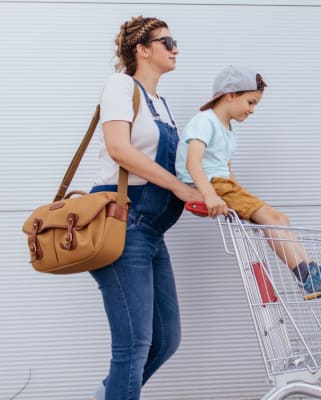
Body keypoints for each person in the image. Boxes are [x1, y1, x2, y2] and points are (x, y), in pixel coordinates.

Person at [89, 16, 203, 400]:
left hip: (152, 232)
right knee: (133, 346)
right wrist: (177, 188)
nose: (175, 49)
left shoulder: (161, 104)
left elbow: (175, 163)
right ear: (143, 49)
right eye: (167, 41)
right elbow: (120, 149)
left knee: (166, 340)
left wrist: (208, 188)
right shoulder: (120, 86)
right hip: (124, 224)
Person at [175, 64, 321, 300]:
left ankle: (311, 268)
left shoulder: (228, 129)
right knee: (272, 220)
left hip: (223, 184)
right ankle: (306, 277)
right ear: (230, 96)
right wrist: (209, 195)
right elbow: (193, 162)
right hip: (210, 184)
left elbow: (226, 168)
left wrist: (240, 196)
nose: (252, 110)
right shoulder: (204, 121)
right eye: (251, 102)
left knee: (280, 219)